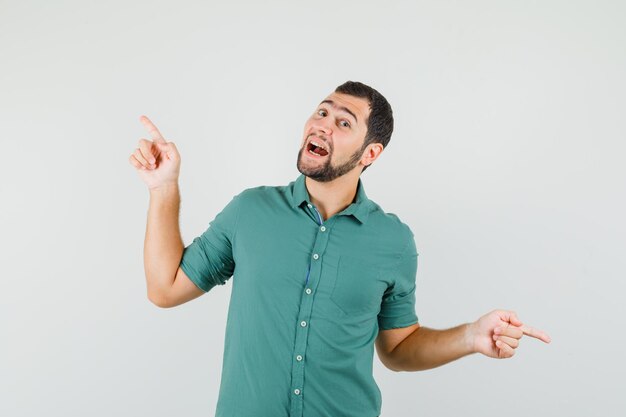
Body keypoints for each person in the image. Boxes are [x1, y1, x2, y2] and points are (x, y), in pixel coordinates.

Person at [129, 81, 551, 417]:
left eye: (343, 123)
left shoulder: (394, 242)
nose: (322, 124)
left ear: (371, 153)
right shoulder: (249, 211)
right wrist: (164, 187)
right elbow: (164, 288)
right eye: (322, 111)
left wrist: (472, 336)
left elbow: (399, 348)